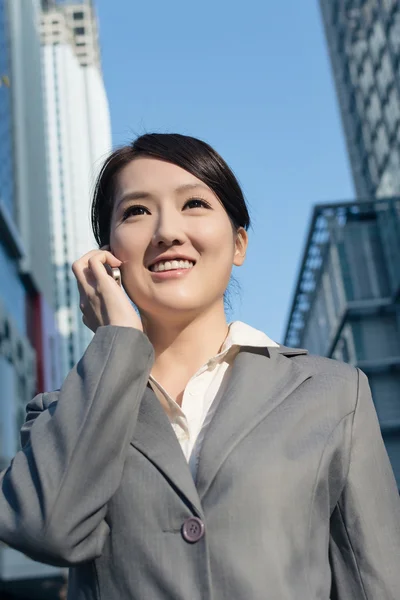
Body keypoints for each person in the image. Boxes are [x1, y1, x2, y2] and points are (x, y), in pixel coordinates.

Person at [0, 133, 399, 600]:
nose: (167, 231)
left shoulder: (333, 392)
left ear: (239, 244)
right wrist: (117, 340)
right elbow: (46, 530)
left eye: (193, 203)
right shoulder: (61, 414)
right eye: (136, 211)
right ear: (109, 257)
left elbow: (379, 583)